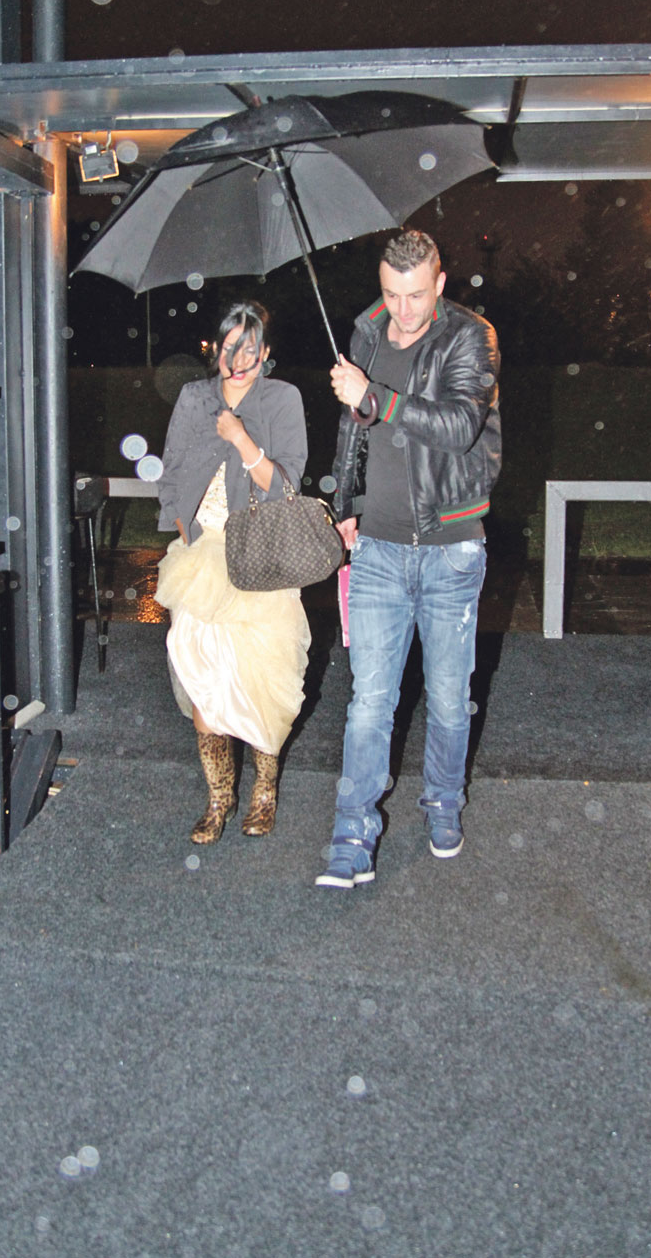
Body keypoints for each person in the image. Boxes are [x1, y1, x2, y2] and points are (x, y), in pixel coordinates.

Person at [315, 230, 501, 889]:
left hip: (451, 549)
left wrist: (374, 396)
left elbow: (459, 426)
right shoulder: (366, 331)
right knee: (370, 701)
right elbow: (351, 428)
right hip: (377, 549)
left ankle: (443, 802)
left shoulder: (470, 337)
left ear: (439, 284)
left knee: (449, 699)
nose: (403, 308)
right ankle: (352, 835)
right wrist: (343, 500)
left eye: (416, 295)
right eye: (392, 294)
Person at [155, 301, 310, 844]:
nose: (238, 360)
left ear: (265, 352)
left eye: (250, 349)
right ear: (215, 350)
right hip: (201, 560)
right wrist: (183, 526)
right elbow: (172, 471)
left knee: (262, 681)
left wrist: (242, 439)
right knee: (203, 681)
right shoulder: (194, 398)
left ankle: (264, 793)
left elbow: (287, 486)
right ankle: (218, 798)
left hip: (260, 555)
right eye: (229, 348)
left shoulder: (282, 399)